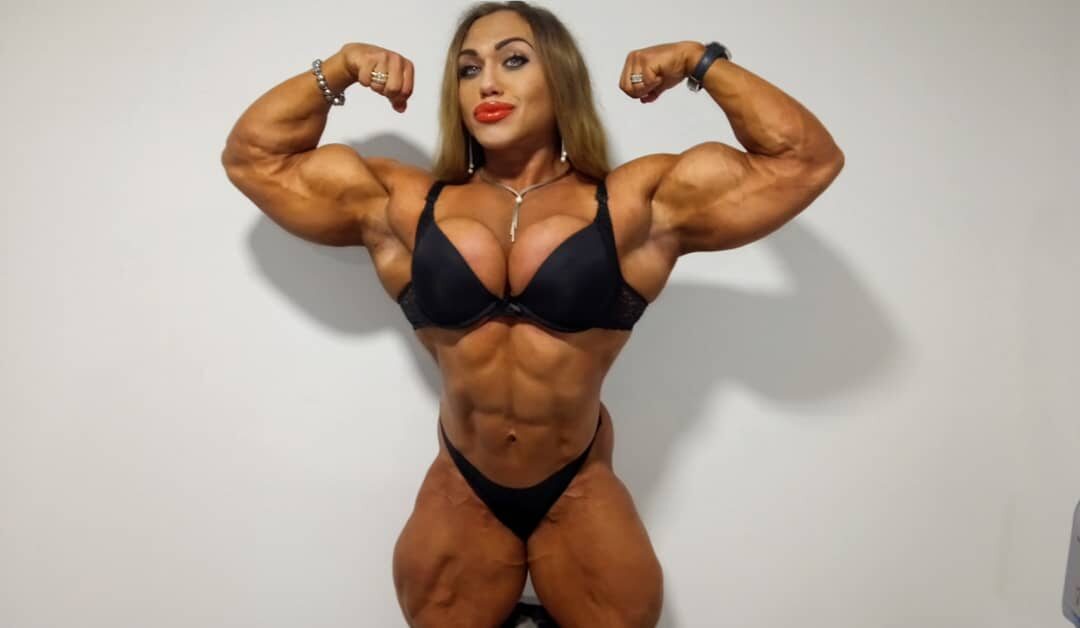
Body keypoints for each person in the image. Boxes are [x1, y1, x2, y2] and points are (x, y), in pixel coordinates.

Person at [221, 1, 844, 625]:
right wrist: (341, 66)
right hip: (464, 486)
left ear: (562, 77)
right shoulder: (406, 204)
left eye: (514, 61)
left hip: (576, 486)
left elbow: (804, 160)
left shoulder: (633, 204)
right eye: (468, 70)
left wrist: (697, 61)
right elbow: (254, 158)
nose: (487, 84)